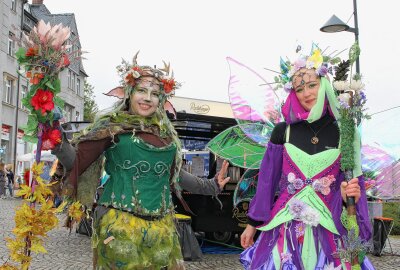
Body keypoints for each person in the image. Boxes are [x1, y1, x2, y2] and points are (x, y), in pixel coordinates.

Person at [51, 55, 231, 270]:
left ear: (161, 100)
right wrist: (53, 132)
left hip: (162, 228)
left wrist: (212, 185)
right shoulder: (113, 127)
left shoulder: (166, 135)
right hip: (119, 226)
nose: (148, 98)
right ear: (129, 93)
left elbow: (177, 177)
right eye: (141, 91)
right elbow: (77, 160)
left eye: (155, 94)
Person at [240, 49, 374, 269]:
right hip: (284, 227)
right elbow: (267, 182)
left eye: (312, 85)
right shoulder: (283, 131)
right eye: (299, 88)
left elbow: (352, 184)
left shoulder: (346, 132)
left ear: (324, 85)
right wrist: (252, 224)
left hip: (330, 228)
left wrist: (346, 196)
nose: (306, 93)